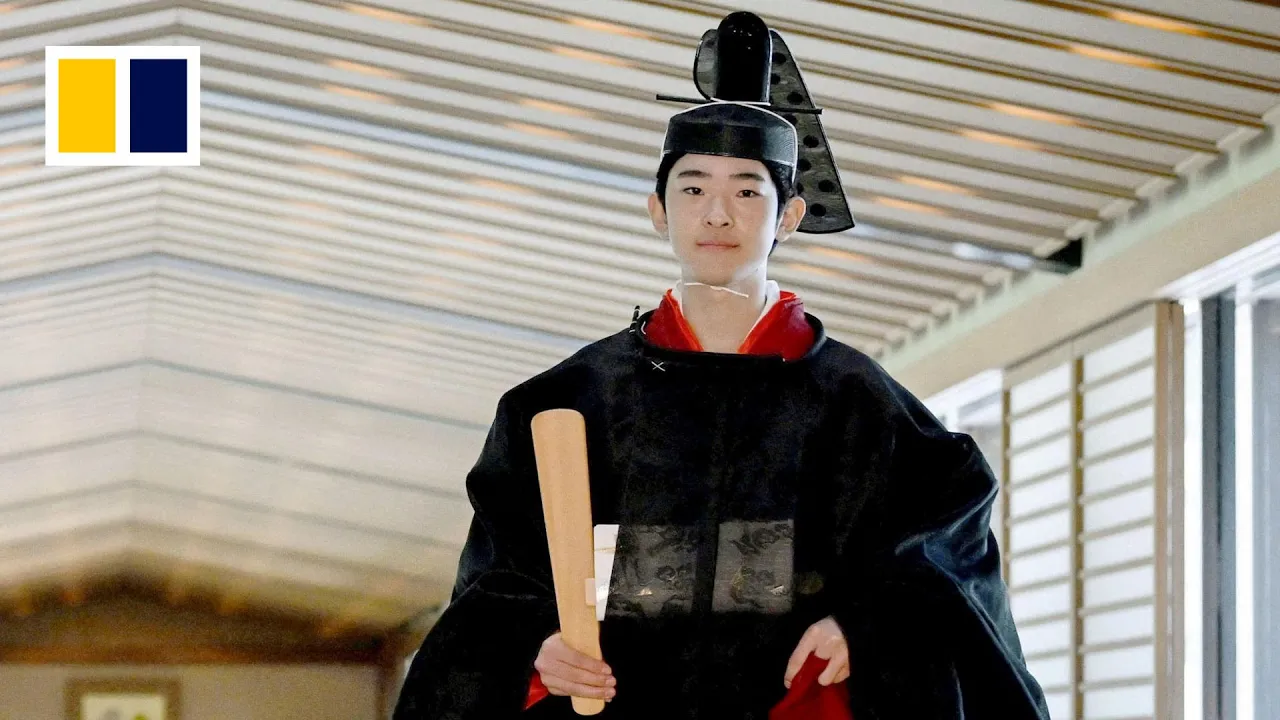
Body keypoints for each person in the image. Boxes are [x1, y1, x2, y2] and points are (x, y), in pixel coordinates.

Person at [394, 11, 1049, 720]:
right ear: (657, 211)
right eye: (693, 188)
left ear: (789, 216)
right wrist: (534, 648)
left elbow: (946, 551)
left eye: (746, 191)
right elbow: (495, 585)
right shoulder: (566, 402)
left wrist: (866, 627)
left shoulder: (859, 405)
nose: (717, 215)